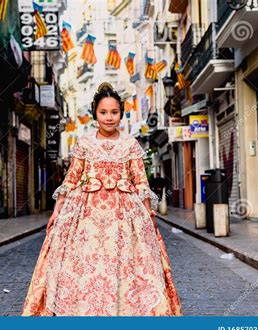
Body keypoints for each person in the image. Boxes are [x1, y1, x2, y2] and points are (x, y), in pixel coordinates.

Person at [21, 82, 182, 316]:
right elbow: (72, 179)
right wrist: (57, 210)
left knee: (125, 263)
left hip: (124, 217)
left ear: (121, 113)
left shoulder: (130, 144)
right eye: (103, 112)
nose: (109, 118)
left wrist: (149, 213)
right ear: (95, 113)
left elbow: (140, 181)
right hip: (86, 218)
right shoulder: (85, 144)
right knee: (87, 264)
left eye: (114, 112)